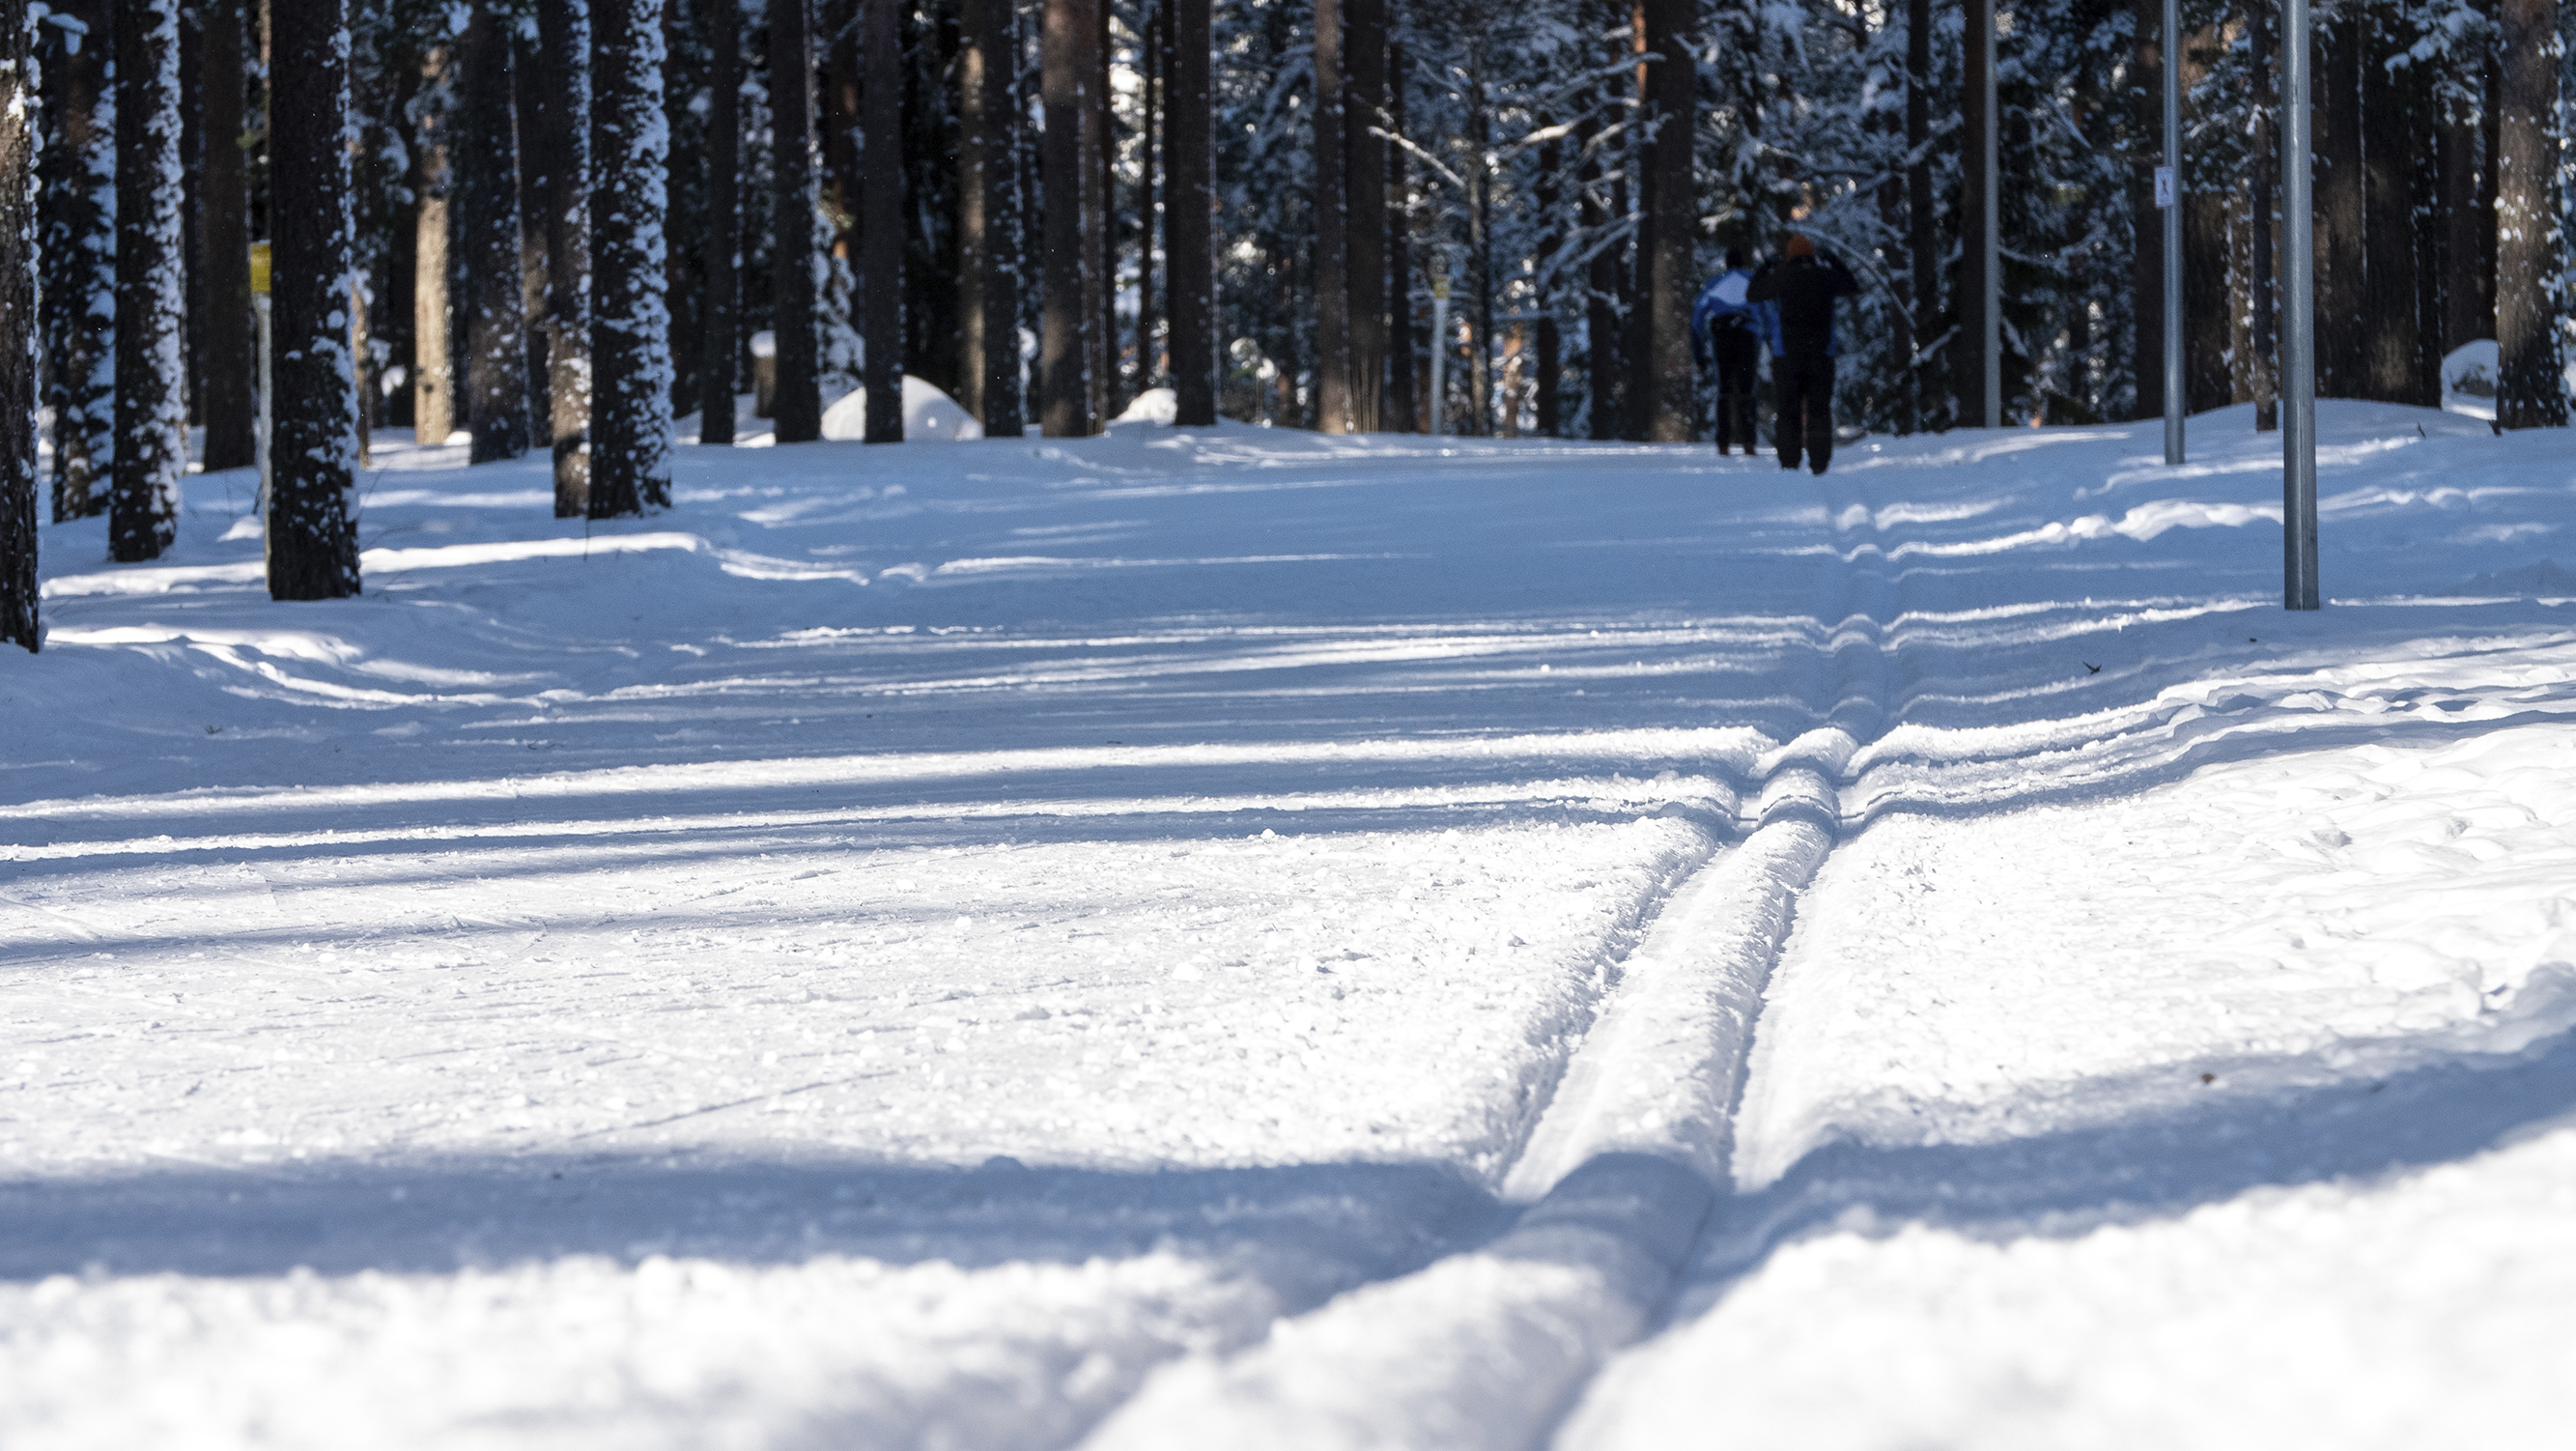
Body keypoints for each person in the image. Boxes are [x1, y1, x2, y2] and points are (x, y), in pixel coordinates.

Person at [1744, 233, 1859, 474]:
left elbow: (1753, 294)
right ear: (1812, 255)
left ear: (1788, 256)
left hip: (1787, 355)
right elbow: (1852, 285)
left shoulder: (1782, 277)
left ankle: (1789, 462)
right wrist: (1833, 260)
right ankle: (1819, 463)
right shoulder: (1824, 277)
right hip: (1821, 354)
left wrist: (1766, 265)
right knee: (1819, 408)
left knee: (1788, 409)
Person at [1691, 247, 1761, 455]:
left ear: (1726, 263)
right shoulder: (1752, 280)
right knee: (1747, 390)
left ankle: (1723, 443)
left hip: (1722, 337)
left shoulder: (1714, 283)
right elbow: (1767, 313)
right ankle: (1748, 441)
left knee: (1724, 390)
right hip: (1747, 337)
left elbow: (1697, 320)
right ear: (1743, 263)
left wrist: (1699, 354)